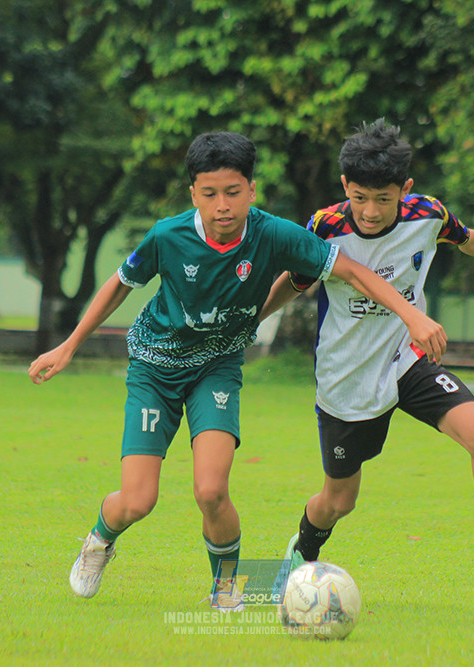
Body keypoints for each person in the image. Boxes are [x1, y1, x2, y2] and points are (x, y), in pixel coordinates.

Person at [27, 131, 448, 607]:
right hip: (155, 368)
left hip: (218, 368)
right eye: (209, 194)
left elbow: (353, 272)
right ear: (193, 195)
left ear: (252, 189)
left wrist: (413, 316)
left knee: (211, 490)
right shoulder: (168, 236)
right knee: (137, 501)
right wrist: (69, 346)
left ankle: (225, 588)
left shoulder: (274, 234)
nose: (222, 205)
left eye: (233, 192)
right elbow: (120, 284)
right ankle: (100, 540)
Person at [262, 119, 474, 584]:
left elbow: (470, 240)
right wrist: (252, 318)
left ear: (404, 190)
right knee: (339, 501)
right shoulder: (324, 229)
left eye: (384, 199)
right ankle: (302, 550)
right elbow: (296, 281)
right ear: (345, 185)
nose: (370, 211)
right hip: (347, 377)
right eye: (360, 197)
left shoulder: (426, 215)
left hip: (407, 358)